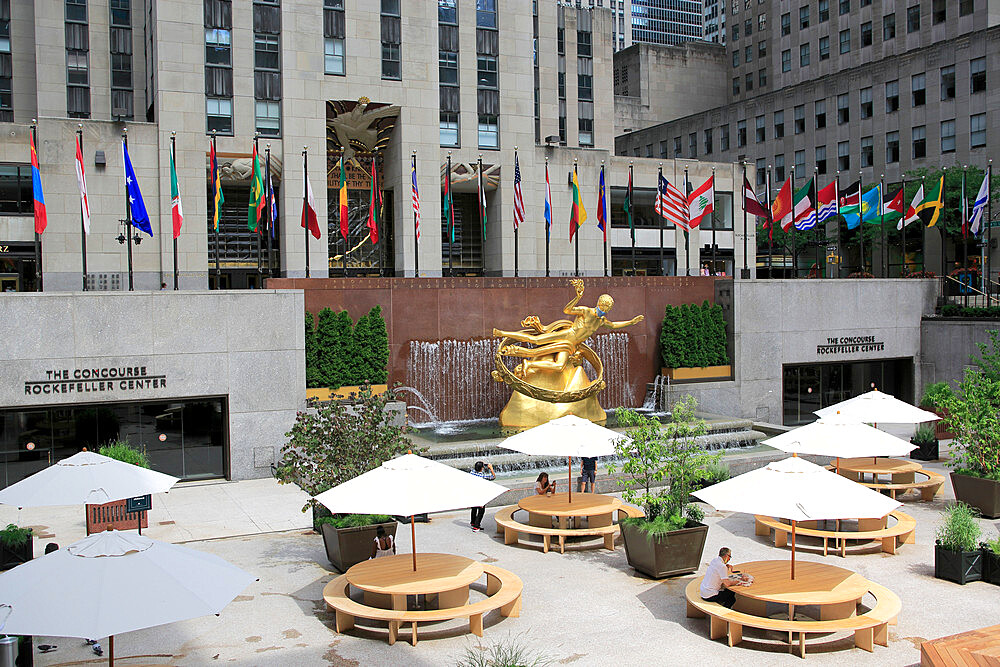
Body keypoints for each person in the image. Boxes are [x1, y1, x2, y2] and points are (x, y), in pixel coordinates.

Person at [469, 461, 495, 531]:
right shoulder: (482, 476)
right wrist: (491, 468)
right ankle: (476, 526)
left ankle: (473, 522)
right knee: (481, 511)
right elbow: (493, 477)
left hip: (472, 494)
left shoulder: (471, 473)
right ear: (482, 468)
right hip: (480, 495)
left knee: (474, 509)